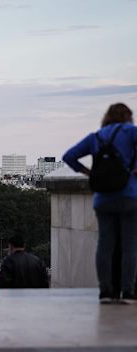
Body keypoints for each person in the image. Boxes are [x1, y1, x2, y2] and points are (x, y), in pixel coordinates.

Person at [63, 103, 137, 304]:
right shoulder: (131, 132)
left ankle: (105, 291)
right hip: (129, 194)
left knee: (105, 244)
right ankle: (128, 291)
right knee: (130, 244)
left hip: (103, 197)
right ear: (128, 117)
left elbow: (68, 156)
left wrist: (89, 173)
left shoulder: (96, 137)